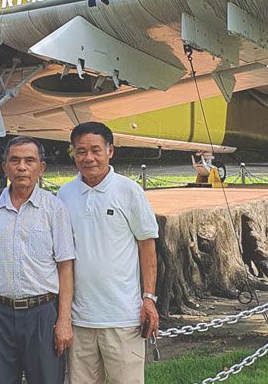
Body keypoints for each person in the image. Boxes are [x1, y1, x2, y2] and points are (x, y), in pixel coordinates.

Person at [56, 122, 160, 384]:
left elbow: (147, 247)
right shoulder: (64, 194)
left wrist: (149, 298)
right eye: (80, 151)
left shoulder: (129, 191)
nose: (88, 158)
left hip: (124, 317)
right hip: (80, 320)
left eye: (95, 150)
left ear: (110, 151)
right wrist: (64, 316)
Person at [0, 136, 74, 384]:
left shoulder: (54, 209)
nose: (22, 167)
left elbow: (65, 268)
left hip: (42, 314)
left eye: (29, 161)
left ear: (41, 168)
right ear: (4, 166)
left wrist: (63, 320)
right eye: (15, 160)